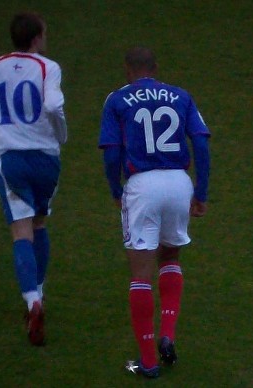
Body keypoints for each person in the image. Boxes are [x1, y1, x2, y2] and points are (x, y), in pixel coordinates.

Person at [98, 47, 210, 378]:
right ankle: (168, 335)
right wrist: (200, 191)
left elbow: (111, 152)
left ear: (127, 70)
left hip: (142, 185)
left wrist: (115, 188)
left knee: (141, 273)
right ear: (155, 68)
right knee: (171, 256)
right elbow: (201, 143)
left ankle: (148, 362)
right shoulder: (180, 95)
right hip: (178, 182)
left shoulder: (117, 99)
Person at [0, 12, 67, 346]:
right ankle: (40, 291)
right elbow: (54, 106)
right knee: (40, 225)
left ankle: (32, 301)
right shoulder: (48, 67)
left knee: (20, 233)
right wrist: (61, 134)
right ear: (37, 37)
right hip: (46, 159)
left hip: (11, 158)